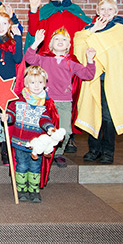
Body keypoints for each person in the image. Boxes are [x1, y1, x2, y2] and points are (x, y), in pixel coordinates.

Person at [74, 0, 123, 164]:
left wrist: (93, 37)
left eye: (110, 9)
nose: (106, 12)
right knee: (93, 112)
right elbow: (78, 47)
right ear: (97, 11)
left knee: (108, 116)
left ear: (115, 12)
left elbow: (121, 57)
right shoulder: (88, 29)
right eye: (102, 9)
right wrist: (93, 31)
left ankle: (107, 151)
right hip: (93, 79)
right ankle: (94, 149)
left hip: (112, 79)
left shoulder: (119, 31)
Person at [26, 28, 96, 167]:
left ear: (68, 45)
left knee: (65, 129)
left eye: (64, 40)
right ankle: (41, 151)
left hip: (64, 102)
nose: (60, 41)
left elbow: (88, 75)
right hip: (46, 101)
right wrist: (36, 43)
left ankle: (59, 152)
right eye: (57, 39)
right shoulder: (44, 58)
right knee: (44, 127)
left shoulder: (71, 62)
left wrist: (89, 60)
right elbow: (29, 58)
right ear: (51, 43)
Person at [2, 66, 59, 203]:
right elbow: (12, 114)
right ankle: (21, 189)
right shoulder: (19, 100)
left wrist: (50, 128)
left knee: (35, 166)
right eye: (33, 83)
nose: (36, 86)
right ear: (27, 84)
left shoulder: (45, 103)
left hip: (36, 144)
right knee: (21, 165)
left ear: (45, 84)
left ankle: (34, 190)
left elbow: (44, 119)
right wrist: (7, 118)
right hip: (20, 141)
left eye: (40, 82)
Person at [0, 7, 24, 167]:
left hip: (10, 84)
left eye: (4, 23)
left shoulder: (12, 42)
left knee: (8, 117)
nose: (1, 27)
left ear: (9, 25)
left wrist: (19, 37)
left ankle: (7, 153)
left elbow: (18, 58)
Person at [25, 0, 92, 53]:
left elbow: (87, 29)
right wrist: (34, 10)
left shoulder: (75, 10)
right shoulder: (46, 10)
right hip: (48, 57)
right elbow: (33, 32)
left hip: (70, 58)